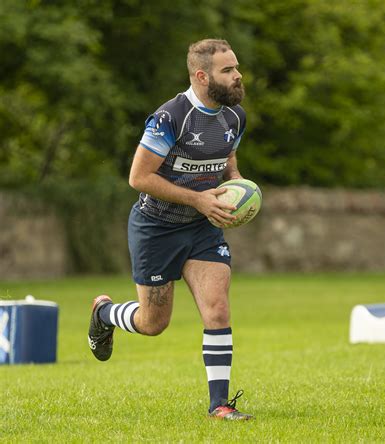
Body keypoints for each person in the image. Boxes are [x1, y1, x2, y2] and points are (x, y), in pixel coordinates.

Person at [87, 39, 253, 420]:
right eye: (228, 70)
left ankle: (219, 405)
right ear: (201, 76)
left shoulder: (235, 117)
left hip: (201, 228)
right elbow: (138, 178)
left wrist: (237, 186)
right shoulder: (170, 118)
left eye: (236, 67)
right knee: (152, 323)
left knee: (217, 308)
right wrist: (197, 198)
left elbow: (227, 155)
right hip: (156, 227)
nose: (237, 75)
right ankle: (104, 315)